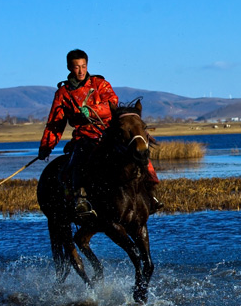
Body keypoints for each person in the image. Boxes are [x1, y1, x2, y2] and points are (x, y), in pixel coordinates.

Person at [38, 49, 160, 219]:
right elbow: (55, 123)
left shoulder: (99, 84)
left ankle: (151, 191)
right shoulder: (63, 94)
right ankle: (80, 199)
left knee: (139, 151)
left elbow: (112, 102)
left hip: (109, 132)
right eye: (76, 67)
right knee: (76, 160)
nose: (81, 71)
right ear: (69, 68)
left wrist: (91, 110)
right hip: (84, 136)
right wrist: (46, 147)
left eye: (83, 66)